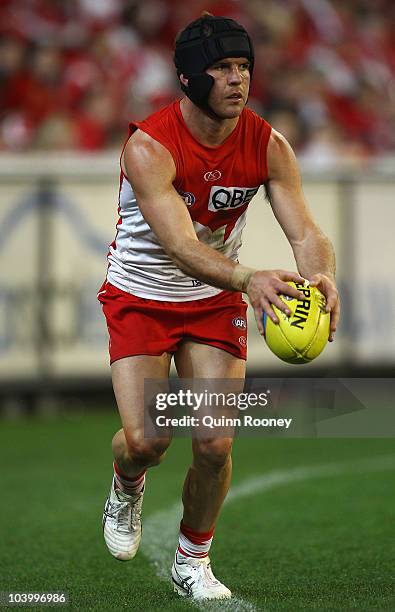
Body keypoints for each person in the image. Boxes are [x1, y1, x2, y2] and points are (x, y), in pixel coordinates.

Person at [97, 13, 340, 601]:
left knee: (214, 443)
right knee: (148, 441)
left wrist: (322, 275)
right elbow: (180, 248)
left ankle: (193, 558)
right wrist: (250, 277)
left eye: (245, 67)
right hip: (142, 296)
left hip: (213, 300)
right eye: (224, 68)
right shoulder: (149, 146)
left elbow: (305, 232)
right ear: (188, 78)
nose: (239, 80)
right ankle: (126, 482)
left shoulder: (267, 142)